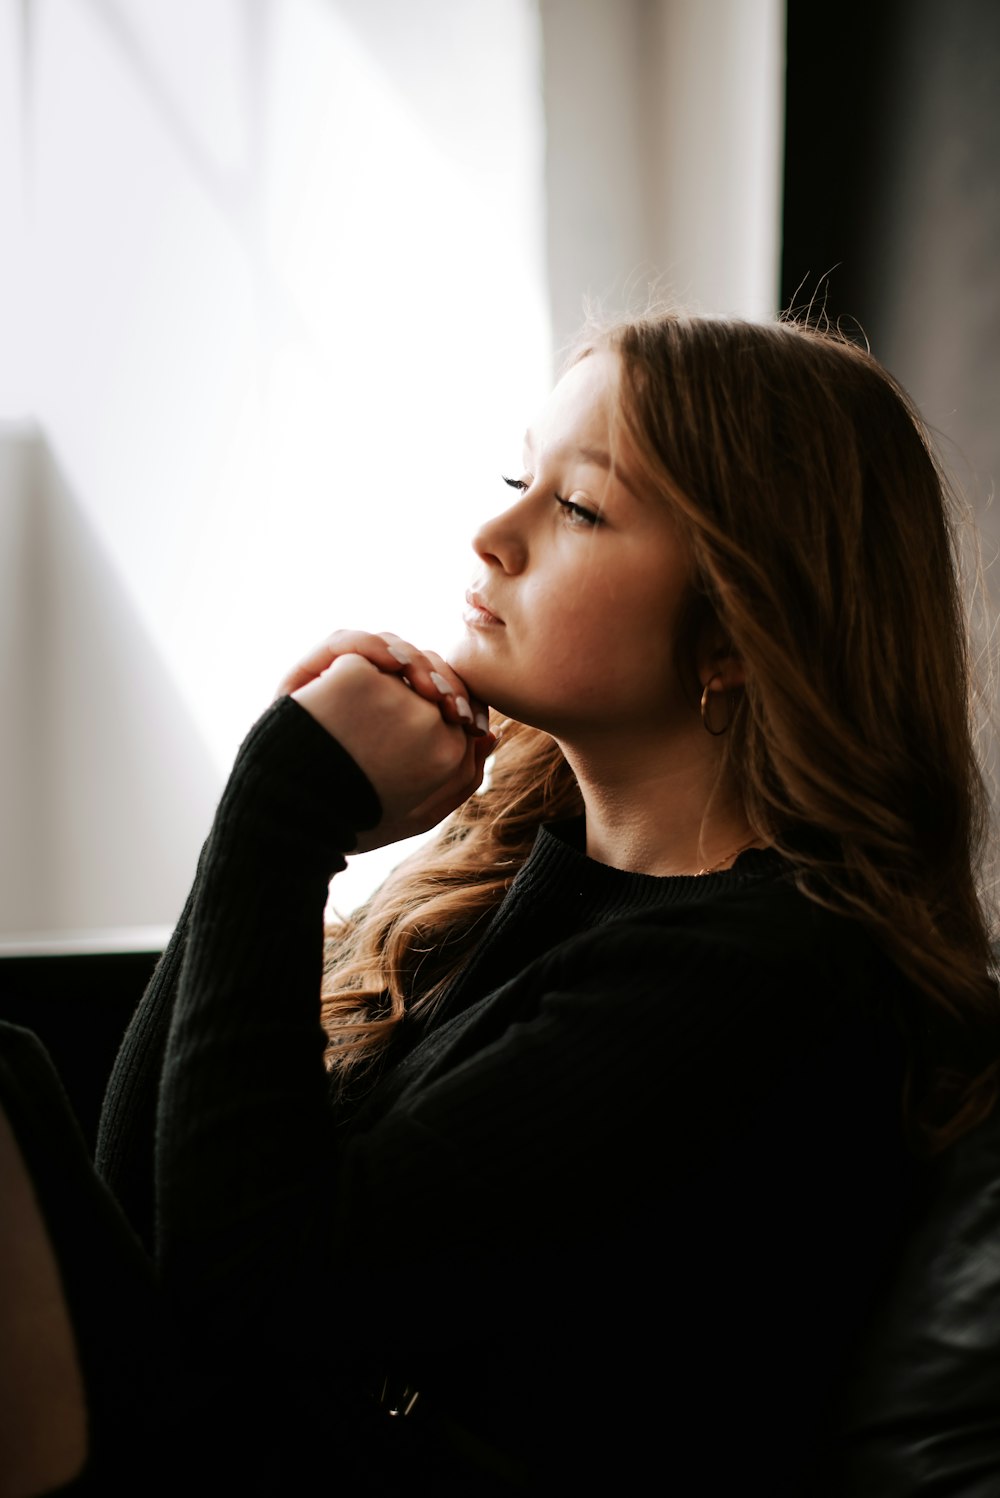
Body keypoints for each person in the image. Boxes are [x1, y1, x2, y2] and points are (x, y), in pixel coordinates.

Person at [93, 310, 1000, 1494]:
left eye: (575, 508)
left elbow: (249, 1291)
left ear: (733, 631)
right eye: (520, 478)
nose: (490, 531)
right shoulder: (521, 866)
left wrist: (283, 809)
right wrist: (261, 827)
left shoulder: (754, 978)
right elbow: (128, 1226)